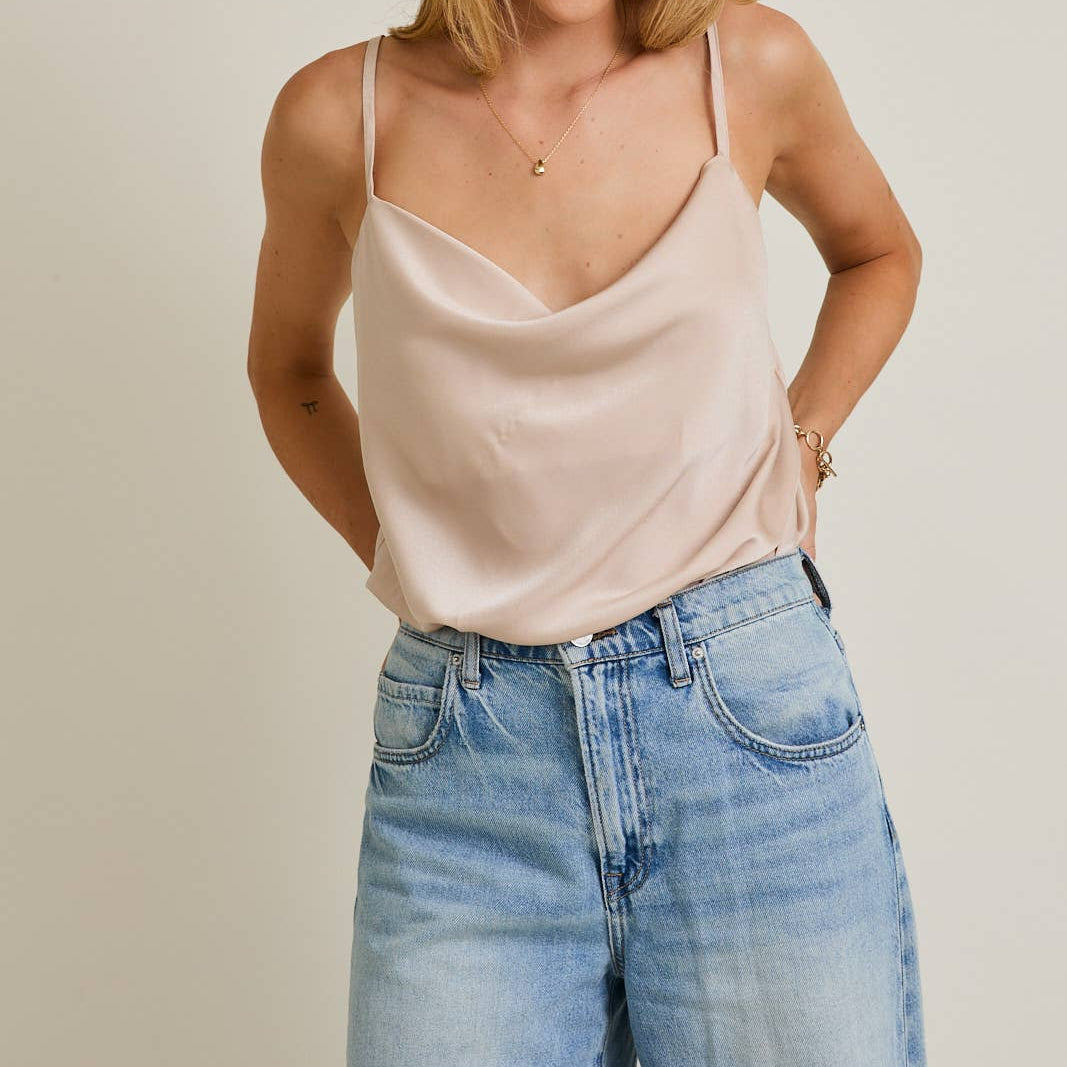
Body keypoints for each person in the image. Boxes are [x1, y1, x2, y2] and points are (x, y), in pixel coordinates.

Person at [247, 0, 926, 1063]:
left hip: (744, 720)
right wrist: (399, 547)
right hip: (470, 762)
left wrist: (803, 438)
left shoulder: (744, 63)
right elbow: (286, 370)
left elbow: (877, 252)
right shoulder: (340, 115)